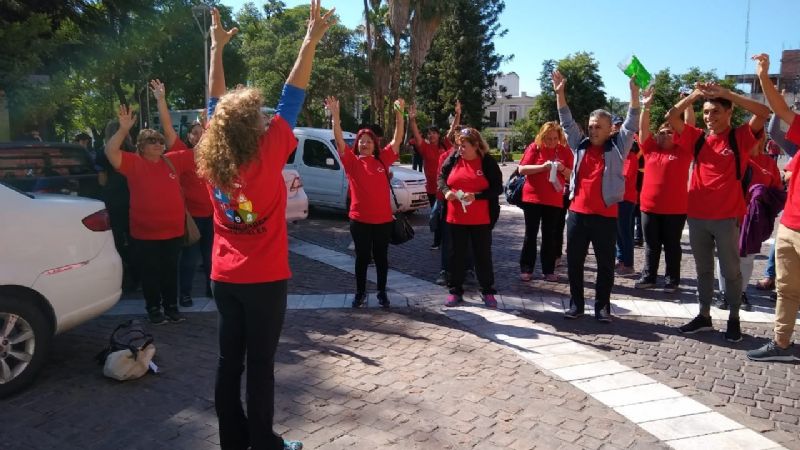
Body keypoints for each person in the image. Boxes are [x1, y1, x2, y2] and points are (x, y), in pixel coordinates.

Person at [194, 5, 332, 449]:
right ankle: (263, 444)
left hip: (224, 279)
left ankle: (232, 443)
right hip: (265, 278)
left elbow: (215, 101)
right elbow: (294, 93)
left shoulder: (215, 156)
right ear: (252, 124)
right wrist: (308, 41)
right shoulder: (270, 148)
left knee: (227, 363)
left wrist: (217, 49)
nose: (263, 117)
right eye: (257, 113)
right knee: (261, 367)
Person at [667, 81, 771, 342]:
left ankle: (733, 317)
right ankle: (704, 316)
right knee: (702, 270)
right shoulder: (698, 137)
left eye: (715, 112)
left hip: (726, 216)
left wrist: (726, 94)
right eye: (705, 112)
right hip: (698, 216)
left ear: (728, 113)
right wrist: (694, 95)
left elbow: (763, 113)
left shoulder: (740, 137)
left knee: (730, 271)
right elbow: (671, 116)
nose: (709, 117)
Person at [555, 70, 640, 322]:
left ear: (608, 129)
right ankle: (576, 305)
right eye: (591, 126)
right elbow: (566, 121)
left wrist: (634, 94)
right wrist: (560, 94)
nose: (593, 131)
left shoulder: (618, 146)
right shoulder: (579, 145)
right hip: (577, 215)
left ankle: (602, 307)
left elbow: (632, 120)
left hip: (605, 216)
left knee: (605, 266)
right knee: (574, 264)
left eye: (598, 127)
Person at [104, 104, 192, 325]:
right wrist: (123, 129)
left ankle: (172, 308)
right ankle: (154, 309)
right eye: (153, 141)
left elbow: (200, 151)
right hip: (145, 234)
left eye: (160, 141)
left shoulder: (173, 160)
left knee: (171, 273)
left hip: (173, 232)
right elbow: (110, 151)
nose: (159, 144)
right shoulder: (133, 163)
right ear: (141, 146)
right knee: (151, 275)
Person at [328, 95, 405, 308]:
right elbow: (340, 141)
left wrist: (400, 115)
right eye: (362, 141)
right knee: (362, 258)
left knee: (381, 258)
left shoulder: (383, 159)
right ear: (358, 144)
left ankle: (381, 292)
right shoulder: (352, 162)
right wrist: (336, 116)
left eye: (369, 141)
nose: (364, 143)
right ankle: (360, 293)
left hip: (382, 221)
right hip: (360, 220)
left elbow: (397, 139)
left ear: (374, 145)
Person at [747, 53, 800, 361]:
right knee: (786, 290)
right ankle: (781, 345)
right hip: (790, 227)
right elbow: (779, 112)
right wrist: (764, 75)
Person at [150, 79, 214, 306]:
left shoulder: (213, 157)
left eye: (203, 131)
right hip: (193, 218)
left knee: (210, 258)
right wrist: (161, 100)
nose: (200, 134)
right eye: (195, 132)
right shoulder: (182, 153)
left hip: (213, 216)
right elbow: (167, 128)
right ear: (190, 138)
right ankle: (184, 294)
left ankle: (211, 289)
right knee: (189, 259)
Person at [714, 133, 783, 311]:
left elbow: (777, 192)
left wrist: (762, 195)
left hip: (754, 221)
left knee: (746, 258)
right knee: (725, 255)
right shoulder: (734, 158)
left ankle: (740, 292)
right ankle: (724, 292)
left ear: (762, 141)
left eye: (758, 137)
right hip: (730, 214)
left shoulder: (769, 163)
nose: (754, 141)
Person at [634, 88, 693, 292]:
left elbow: (690, 126)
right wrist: (646, 106)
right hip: (649, 207)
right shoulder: (650, 150)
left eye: (670, 132)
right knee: (651, 245)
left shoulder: (684, 151)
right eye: (662, 132)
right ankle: (649, 276)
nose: (666, 134)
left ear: (677, 136)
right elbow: (642, 129)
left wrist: (688, 103)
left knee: (672, 245)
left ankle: (672, 280)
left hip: (675, 209)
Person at [438, 127, 502, 307]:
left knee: (482, 255)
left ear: (476, 146)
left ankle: (487, 290)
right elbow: (441, 178)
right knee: (455, 255)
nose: (460, 149)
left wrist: (477, 196)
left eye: (464, 146)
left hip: (480, 219)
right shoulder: (453, 159)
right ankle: (455, 290)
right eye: (459, 146)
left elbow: (497, 188)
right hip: (455, 218)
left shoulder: (487, 162)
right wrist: (446, 191)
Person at [516, 121, 573, 282]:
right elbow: (522, 169)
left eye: (555, 138)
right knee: (531, 233)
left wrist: (561, 168)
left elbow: (572, 174)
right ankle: (527, 268)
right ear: (542, 136)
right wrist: (543, 167)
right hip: (533, 197)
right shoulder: (535, 147)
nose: (551, 142)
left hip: (554, 199)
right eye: (548, 138)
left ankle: (548, 270)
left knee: (550, 235)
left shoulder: (564, 151)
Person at [756, 113, 799, 292]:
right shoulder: (795, 147)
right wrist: (779, 108)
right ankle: (771, 275)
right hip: (794, 205)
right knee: (781, 241)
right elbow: (774, 130)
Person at [409, 101, 457, 250]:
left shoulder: (445, 144)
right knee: (436, 215)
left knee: (445, 215)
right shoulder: (425, 147)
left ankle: (445, 240)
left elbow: (453, 128)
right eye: (429, 133)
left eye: (434, 132)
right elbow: (417, 136)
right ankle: (438, 241)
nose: (431, 135)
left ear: (438, 134)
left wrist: (458, 114)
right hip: (432, 189)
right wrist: (412, 120)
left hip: (446, 187)